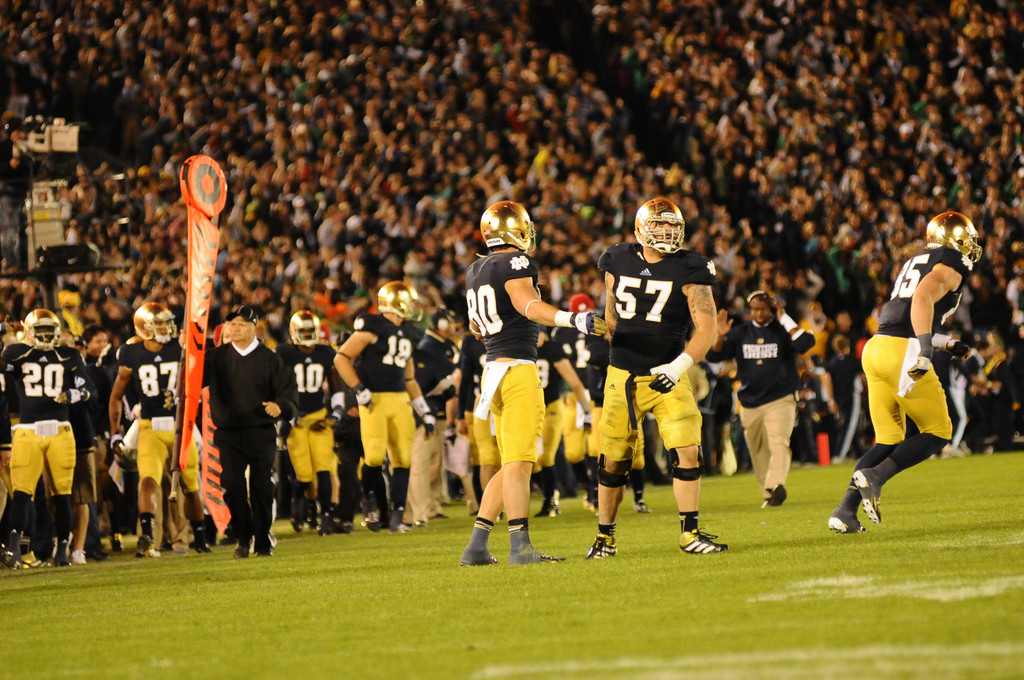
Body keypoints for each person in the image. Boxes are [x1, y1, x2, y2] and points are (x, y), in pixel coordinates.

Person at [459, 200, 606, 566]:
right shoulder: (515, 263)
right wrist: (574, 320)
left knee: (511, 463)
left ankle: (476, 546)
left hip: (493, 374)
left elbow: (477, 326)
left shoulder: (475, 269)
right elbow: (527, 305)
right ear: (517, 230)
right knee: (522, 463)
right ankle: (520, 546)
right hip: (518, 373)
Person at [585, 197, 725, 559]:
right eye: (660, 225)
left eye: (671, 225)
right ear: (641, 229)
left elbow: (707, 327)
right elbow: (611, 313)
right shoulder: (616, 258)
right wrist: (606, 335)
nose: (667, 232)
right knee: (613, 458)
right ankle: (605, 537)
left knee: (687, 449)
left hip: (669, 371)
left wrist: (679, 366)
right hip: (624, 375)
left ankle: (689, 532)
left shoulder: (692, 267)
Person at [829, 211, 979, 533]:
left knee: (887, 440)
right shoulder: (952, 263)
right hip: (902, 354)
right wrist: (926, 349)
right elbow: (922, 297)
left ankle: (845, 511)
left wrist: (945, 342)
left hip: (877, 348)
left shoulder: (920, 259)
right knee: (939, 431)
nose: (971, 248)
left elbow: (905, 314)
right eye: (968, 240)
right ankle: (876, 477)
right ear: (956, 240)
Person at [334, 281, 435, 534]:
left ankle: (397, 517)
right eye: (409, 302)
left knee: (403, 458)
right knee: (375, 457)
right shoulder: (372, 326)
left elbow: (409, 378)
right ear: (396, 302)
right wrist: (358, 388)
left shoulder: (410, 332)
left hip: (400, 399)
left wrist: (424, 410)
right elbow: (341, 357)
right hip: (374, 400)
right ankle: (368, 500)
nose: (413, 307)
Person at [204, 305, 297, 557]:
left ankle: (263, 538)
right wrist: (186, 350)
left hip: (260, 432)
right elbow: (192, 379)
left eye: (241, 324)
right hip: (228, 434)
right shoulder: (215, 357)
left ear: (254, 327)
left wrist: (281, 406)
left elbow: (287, 391)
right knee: (232, 486)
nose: (235, 328)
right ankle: (243, 536)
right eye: (232, 324)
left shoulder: (270, 359)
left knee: (261, 487)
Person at [1, 309, 92, 569]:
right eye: (39, 330)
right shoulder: (17, 352)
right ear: (29, 332)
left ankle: (62, 548)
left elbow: (88, 389)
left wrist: (73, 395)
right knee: (21, 493)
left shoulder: (69, 354)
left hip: (60, 429)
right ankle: (15, 548)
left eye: (49, 330)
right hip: (27, 430)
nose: (45, 335)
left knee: (62, 494)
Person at [707, 291, 815, 507]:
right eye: (754, 308)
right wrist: (720, 335)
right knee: (757, 449)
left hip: (780, 397)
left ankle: (777, 485)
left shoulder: (782, 330)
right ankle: (769, 493)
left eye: (763, 308)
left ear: (772, 309)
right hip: (750, 400)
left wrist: (785, 318)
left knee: (779, 442)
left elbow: (805, 342)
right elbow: (714, 356)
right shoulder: (740, 332)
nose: (758, 312)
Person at [277, 310, 343, 535]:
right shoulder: (284, 353)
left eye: (310, 330)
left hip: (319, 417)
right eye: (302, 331)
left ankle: (326, 516)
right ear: (294, 332)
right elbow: (277, 385)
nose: (307, 335)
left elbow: (335, 383)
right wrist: (288, 413)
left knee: (323, 468)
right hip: (296, 419)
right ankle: (299, 506)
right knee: (303, 474)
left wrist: (336, 412)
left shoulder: (326, 352)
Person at [407, 306, 464, 527]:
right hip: (418, 414)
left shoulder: (433, 350)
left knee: (432, 464)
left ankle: (429, 507)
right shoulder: (429, 350)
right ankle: (418, 512)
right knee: (420, 465)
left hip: (432, 410)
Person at [533, 327, 592, 518]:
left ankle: (550, 501)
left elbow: (574, 382)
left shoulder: (553, 349)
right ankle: (551, 493)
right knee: (530, 461)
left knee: (546, 457)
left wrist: (586, 410)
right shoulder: (523, 349)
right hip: (529, 410)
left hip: (551, 407)